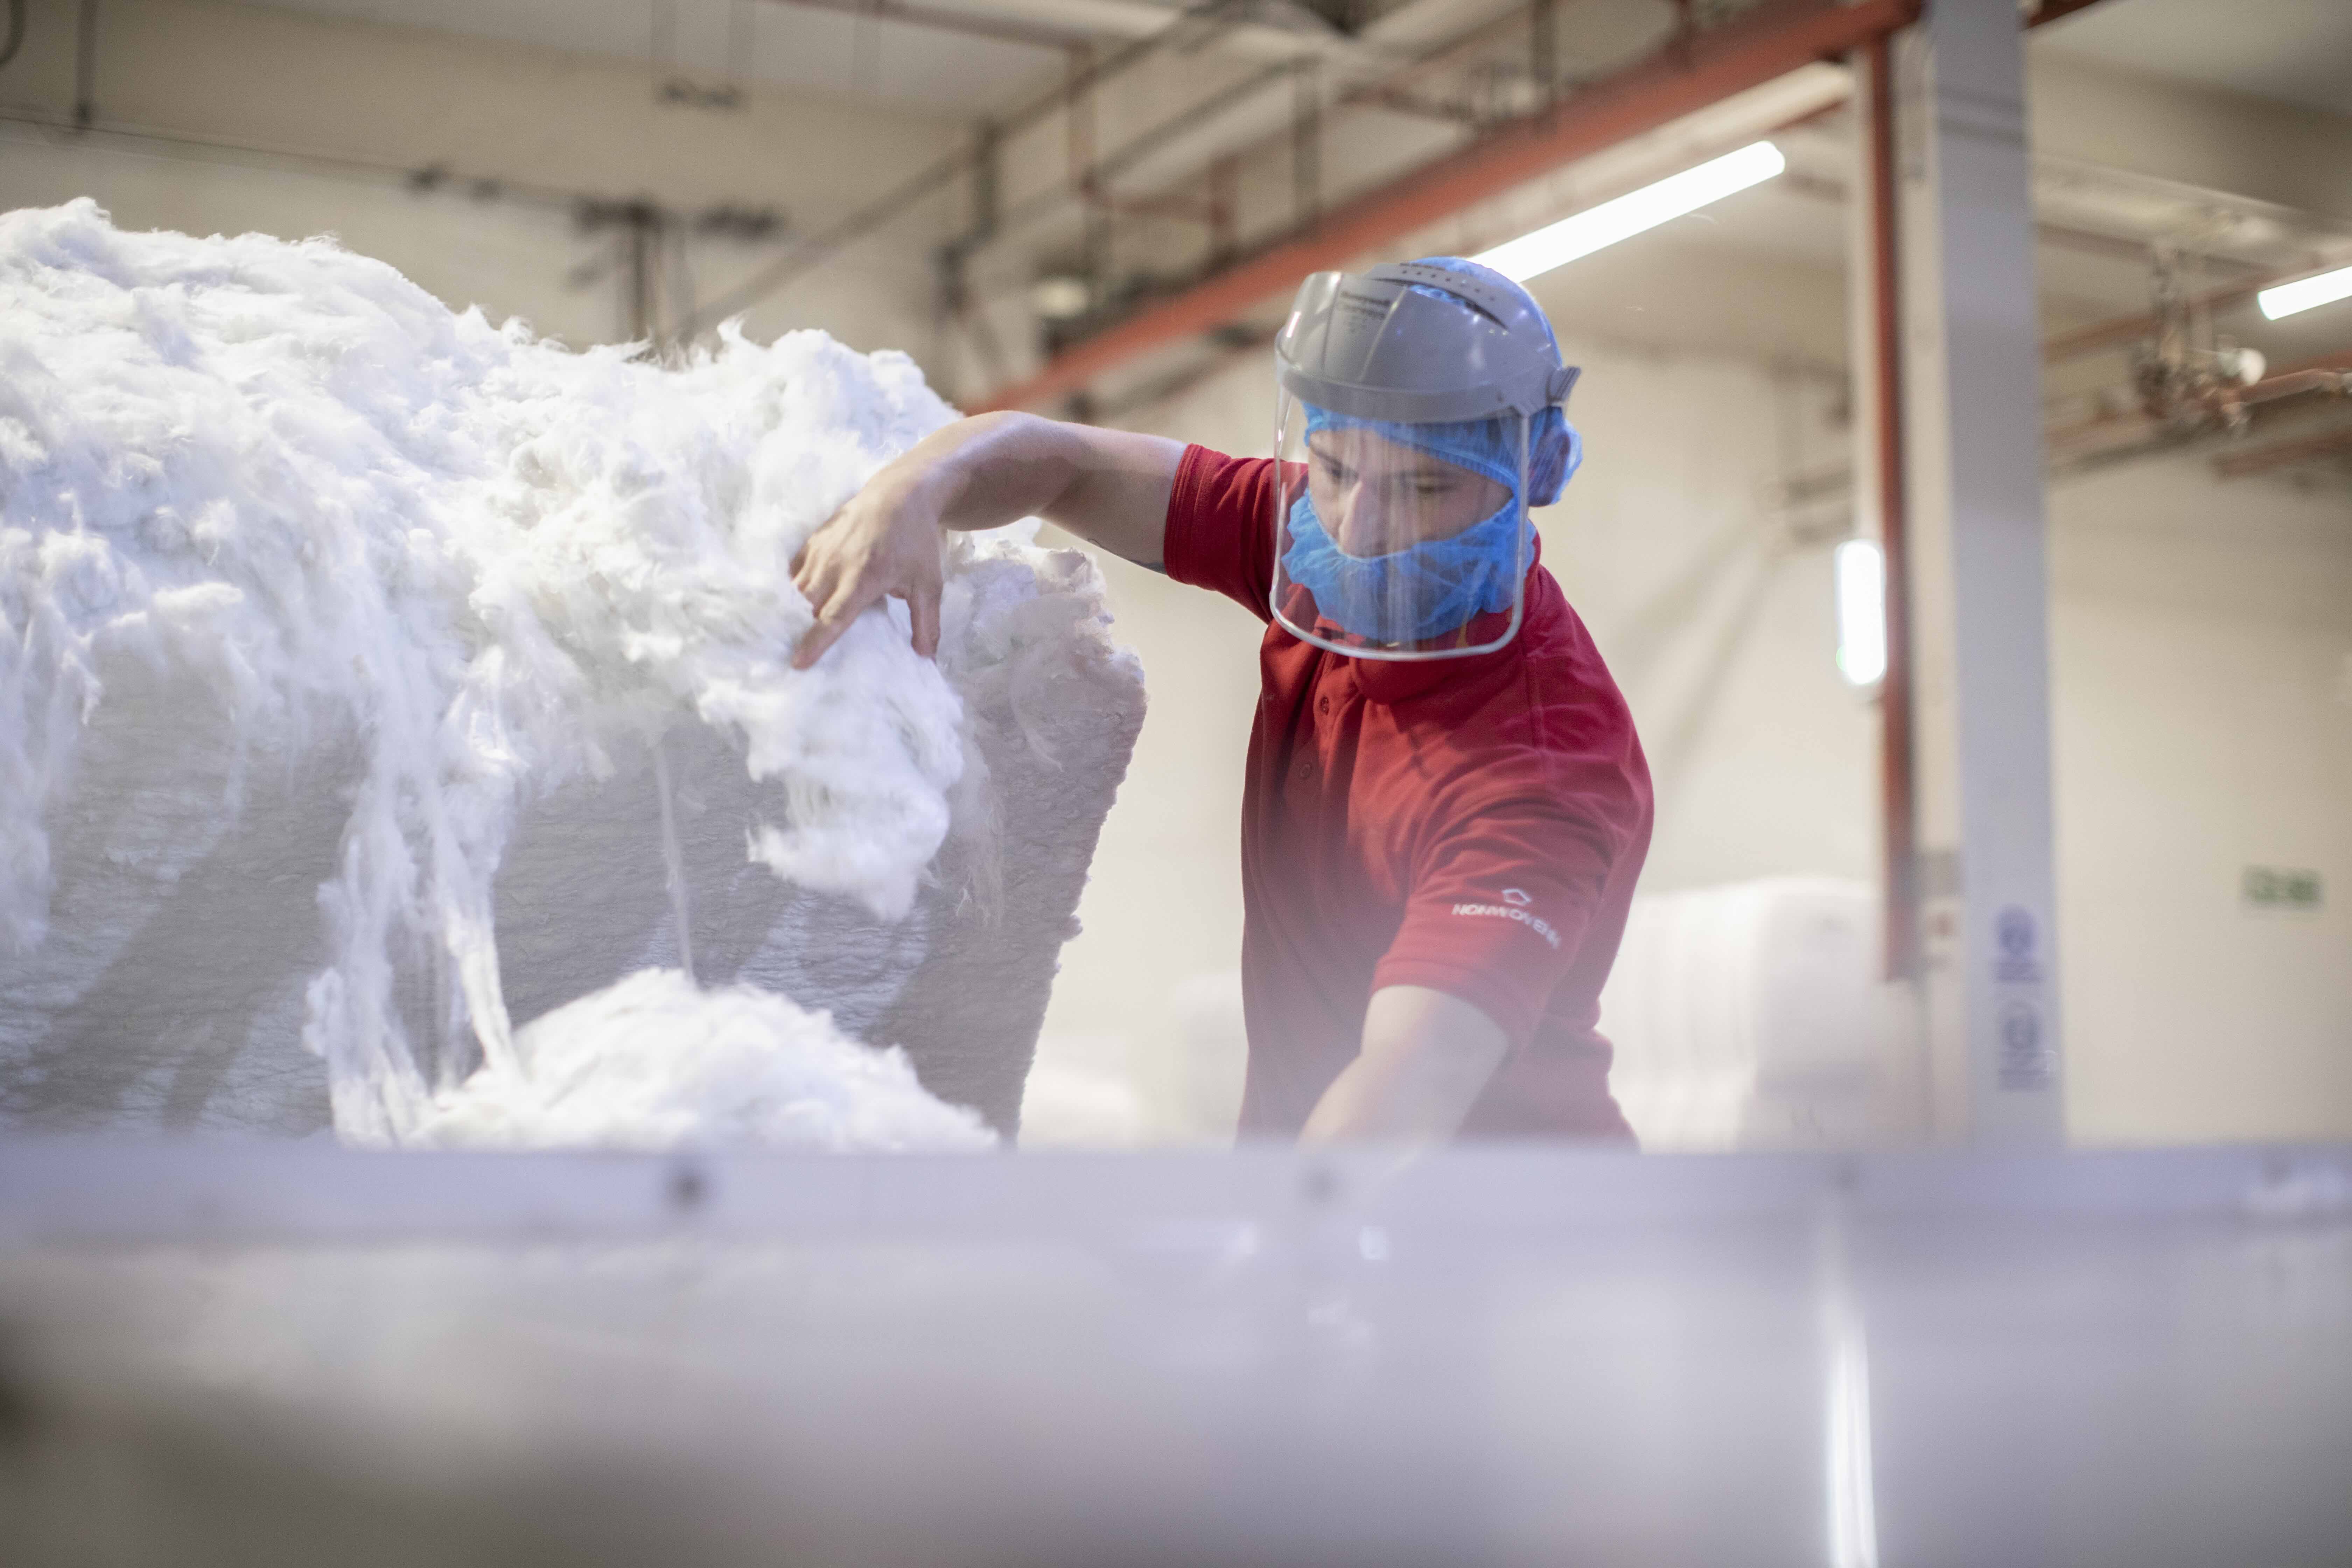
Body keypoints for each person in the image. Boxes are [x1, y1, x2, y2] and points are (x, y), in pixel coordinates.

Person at [791, 257, 1652, 1146]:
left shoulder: (1543, 767)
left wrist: (1270, 1248)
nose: (1358, 529)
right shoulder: (1311, 542)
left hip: (1504, 1235)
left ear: (1532, 472)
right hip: (1315, 1197)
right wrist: (910, 492)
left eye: (1423, 487)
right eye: (1335, 467)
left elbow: (1409, 1086)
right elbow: (1067, 463)